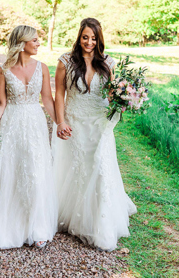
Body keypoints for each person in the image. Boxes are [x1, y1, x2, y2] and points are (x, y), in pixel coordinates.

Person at [52, 18, 136, 252]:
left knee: (100, 167)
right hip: (76, 121)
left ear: (99, 39)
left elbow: (112, 94)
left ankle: (99, 222)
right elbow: (59, 94)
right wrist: (60, 121)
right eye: (85, 37)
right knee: (79, 169)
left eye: (93, 38)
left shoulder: (108, 62)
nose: (89, 42)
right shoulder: (65, 62)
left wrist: (126, 98)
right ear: (79, 37)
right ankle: (76, 216)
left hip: (100, 123)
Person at [0, 25, 57, 249]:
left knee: (35, 170)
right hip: (11, 124)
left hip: (34, 124)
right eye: (34, 40)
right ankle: (10, 228)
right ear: (22, 44)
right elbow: (0, 103)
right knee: (11, 171)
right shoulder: (3, 71)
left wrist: (60, 122)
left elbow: (48, 100)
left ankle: (37, 228)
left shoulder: (43, 68)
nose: (38, 43)